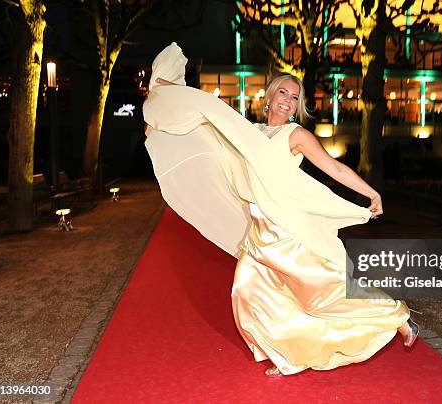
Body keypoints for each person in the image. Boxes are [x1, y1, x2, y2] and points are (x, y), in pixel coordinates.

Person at [143, 43, 418, 378]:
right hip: (258, 233)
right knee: (249, 296)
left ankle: (394, 316)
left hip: (286, 232)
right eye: (283, 93)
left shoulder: (296, 135)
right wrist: (166, 90)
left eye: (294, 98)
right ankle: (286, 355)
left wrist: (370, 192)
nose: (287, 101)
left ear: (295, 108)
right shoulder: (252, 133)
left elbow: (335, 169)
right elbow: (207, 113)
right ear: (269, 98)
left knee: (323, 293)